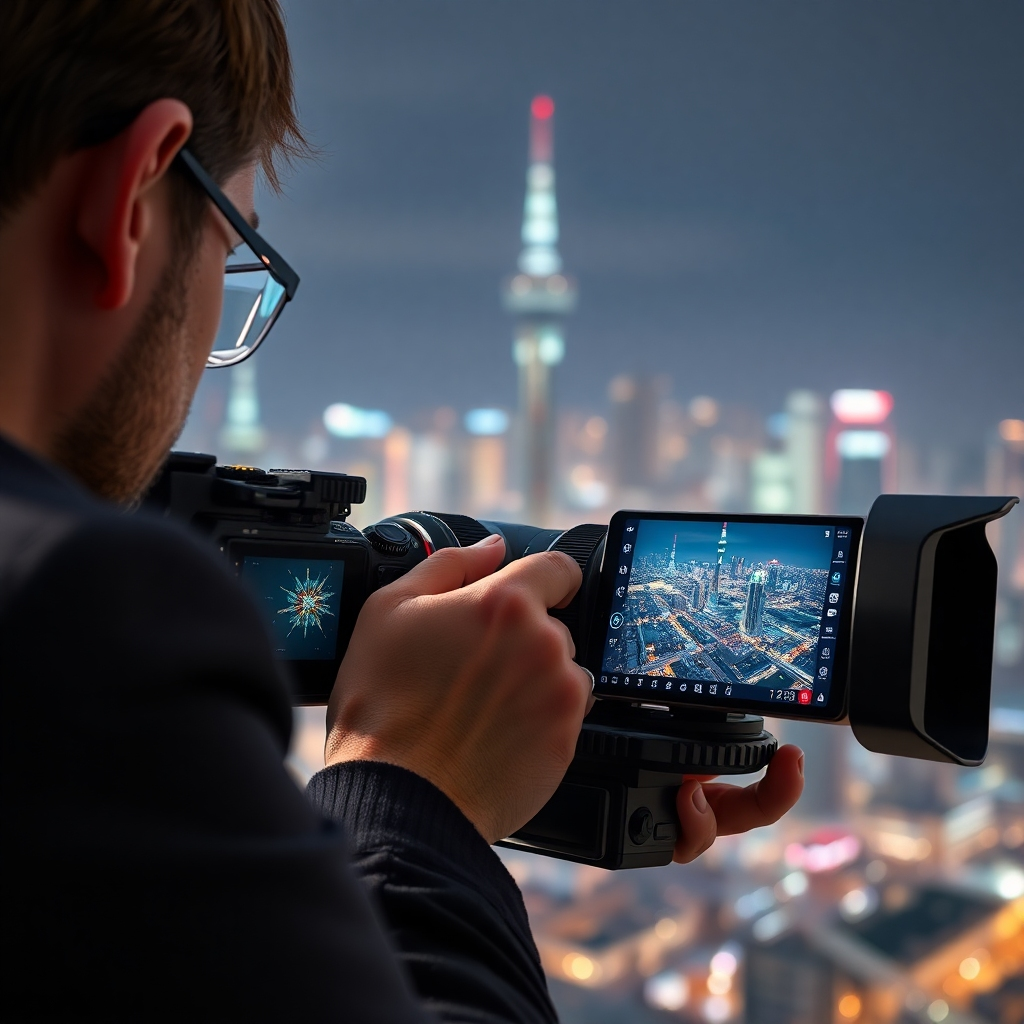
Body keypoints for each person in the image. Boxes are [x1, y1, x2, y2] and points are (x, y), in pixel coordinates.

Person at [0, 2, 804, 1020]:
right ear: (133, 194)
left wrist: (510, 771)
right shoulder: (71, 622)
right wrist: (415, 792)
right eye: (230, 251)